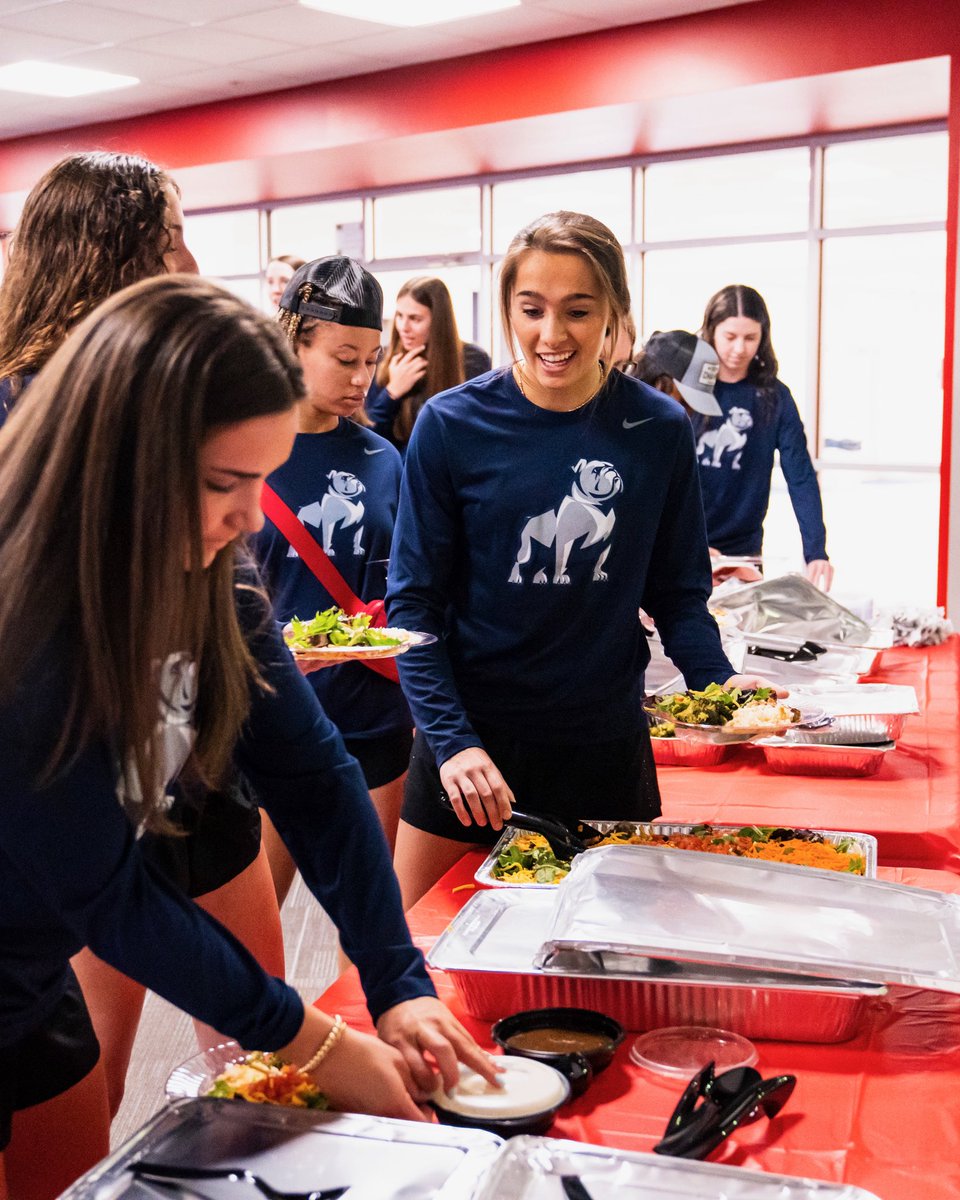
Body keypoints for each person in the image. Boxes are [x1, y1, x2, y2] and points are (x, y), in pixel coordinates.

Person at [0, 276, 495, 1200]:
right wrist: (313, 1039)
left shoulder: (211, 576)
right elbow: (112, 897)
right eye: (226, 484)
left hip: (29, 981)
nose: (248, 518)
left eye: (262, 480)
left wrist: (396, 981)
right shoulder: (22, 609)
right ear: (123, 460)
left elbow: (311, 774)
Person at [386, 211, 779, 908]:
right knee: (412, 967)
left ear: (614, 314)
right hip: (470, 754)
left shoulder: (656, 429)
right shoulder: (450, 425)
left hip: (602, 751)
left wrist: (728, 693)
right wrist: (452, 742)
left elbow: (680, 596)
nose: (552, 334)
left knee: (600, 976)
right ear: (508, 307)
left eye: (577, 310)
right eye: (531, 310)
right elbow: (412, 608)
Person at [253, 256, 412, 903]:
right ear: (295, 344)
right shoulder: (242, 449)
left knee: (371, 922)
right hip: (270, 718)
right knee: (251, 939)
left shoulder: (384, 458)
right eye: (344, 358)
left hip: (372, 716)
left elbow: (408, 587)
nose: (362, 378)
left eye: (372, 360)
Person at [697, 285, 834, 591]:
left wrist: (816, 552)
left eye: (750, 338)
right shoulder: (686, 391)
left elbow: (800, 476)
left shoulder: (775, 396)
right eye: (730, 337)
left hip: (743, 552)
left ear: (763, 337)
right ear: (711, 332)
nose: (739, 349)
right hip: (683, 545)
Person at [635, 329, 762, 585]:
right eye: (683, 401)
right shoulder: (619, 430)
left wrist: (696, 553)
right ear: (661, 382)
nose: (686, 414)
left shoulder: (665, 436)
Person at [365, 276, 491, 453]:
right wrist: (391, 393)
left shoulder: (472, 360)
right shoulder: (383, 358)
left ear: (438, 322)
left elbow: (473, 431)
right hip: (399, 472)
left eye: (415, 319)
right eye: (400, 316)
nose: (403, 327)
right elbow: (367, 437)